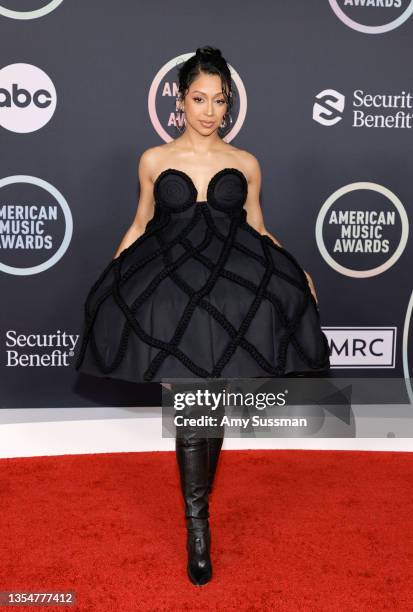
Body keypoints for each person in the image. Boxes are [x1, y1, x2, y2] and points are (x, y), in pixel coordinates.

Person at [75, 45, 330, 586]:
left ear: (229, 103)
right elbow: (143, 223)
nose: (210, 110)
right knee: (193, 397)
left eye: (219, 100)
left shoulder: (246, 164)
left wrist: (296, 269)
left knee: (207, 399)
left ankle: (198, 508)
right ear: (180, 100)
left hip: (229, 291)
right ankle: (198, 528)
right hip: (172, 289)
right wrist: (113, 275)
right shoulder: (152, 159)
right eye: (199, 99)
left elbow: (257, 228)